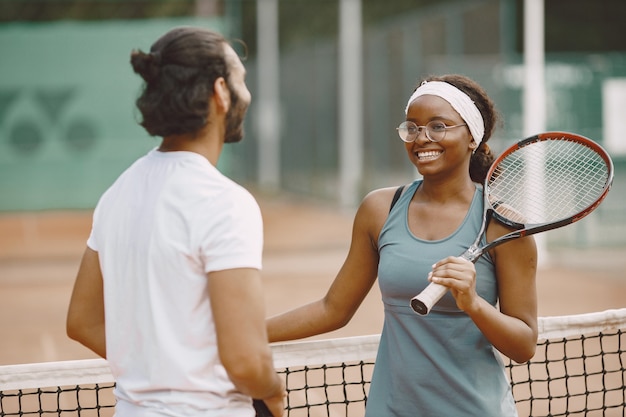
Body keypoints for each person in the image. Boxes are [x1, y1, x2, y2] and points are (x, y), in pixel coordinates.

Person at [266, 74, 538, 416]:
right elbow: (332, 309)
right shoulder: (380, 210)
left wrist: (473, 304)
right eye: (412, 127)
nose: (422, 138)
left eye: (438, 126)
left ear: (472, 136)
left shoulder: (504, 226)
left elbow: (524, 344)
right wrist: (244, 334)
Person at [66, 26, 286, 417]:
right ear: (221, 92)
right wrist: (274, 390)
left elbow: (82, 321)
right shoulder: (226, 203)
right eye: (241, 80)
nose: (246, 94)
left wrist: (156, 368)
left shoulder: (117, 193)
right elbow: (247, 364)